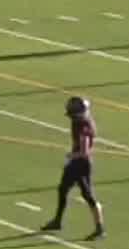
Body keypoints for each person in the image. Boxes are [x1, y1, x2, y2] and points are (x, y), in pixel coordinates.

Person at [41, 95, 105, 239]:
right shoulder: (82, 122)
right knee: (63, 189)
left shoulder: (83, 126)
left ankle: (100, 228)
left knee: (87, 195)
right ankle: (58, 221)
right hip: (79, 163)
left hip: (80, 164)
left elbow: (84, 151)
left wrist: (71, 156)